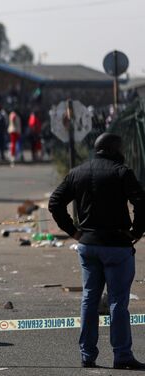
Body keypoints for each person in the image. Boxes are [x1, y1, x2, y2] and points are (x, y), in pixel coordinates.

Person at [49, 133, 145, 370]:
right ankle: (122, 356)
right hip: (117, 246)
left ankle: (87, 355)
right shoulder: (122, 172)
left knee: (89, 299)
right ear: (114, 149)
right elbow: (142, 204)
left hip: (88, 245)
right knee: (117, 303)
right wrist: (136, 232)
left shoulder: (78, 172)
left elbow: (55, 202)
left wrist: (73, 232)